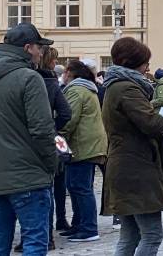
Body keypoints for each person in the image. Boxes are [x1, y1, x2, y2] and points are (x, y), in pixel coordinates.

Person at [0, 22, 60, 256]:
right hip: (28, 175)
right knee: (34, 241)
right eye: (40, 47)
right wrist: (52, 164)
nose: (42, 53)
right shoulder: (29, 78)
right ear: (28, 48)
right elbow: (42, 130)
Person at [102, 37, 163, 256]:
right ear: (131, 62)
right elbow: (151, 124)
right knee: (151, 236)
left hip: (126, 166)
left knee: (130, 236)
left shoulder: (117, 86)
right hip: (136, 168)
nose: (147, 68)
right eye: (144, 63)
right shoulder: (127, 88)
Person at [59, 60, 106, 244]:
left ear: (70, 73)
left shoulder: (76, 90)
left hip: (82, 145)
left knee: (80, 187)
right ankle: (79, 225)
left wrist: (58, 135)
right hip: (89, 144)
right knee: (76, 185)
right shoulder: (87, 88)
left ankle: (88, 228)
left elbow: (69, 118)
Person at [34, 47, 74, 241]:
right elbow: (66, 113)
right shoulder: (51, 83)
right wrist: (53, 128)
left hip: (28, 141)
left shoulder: (27, 78)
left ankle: (35, 234)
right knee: (53, 184)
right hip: (50, 139)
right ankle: (50, 232)